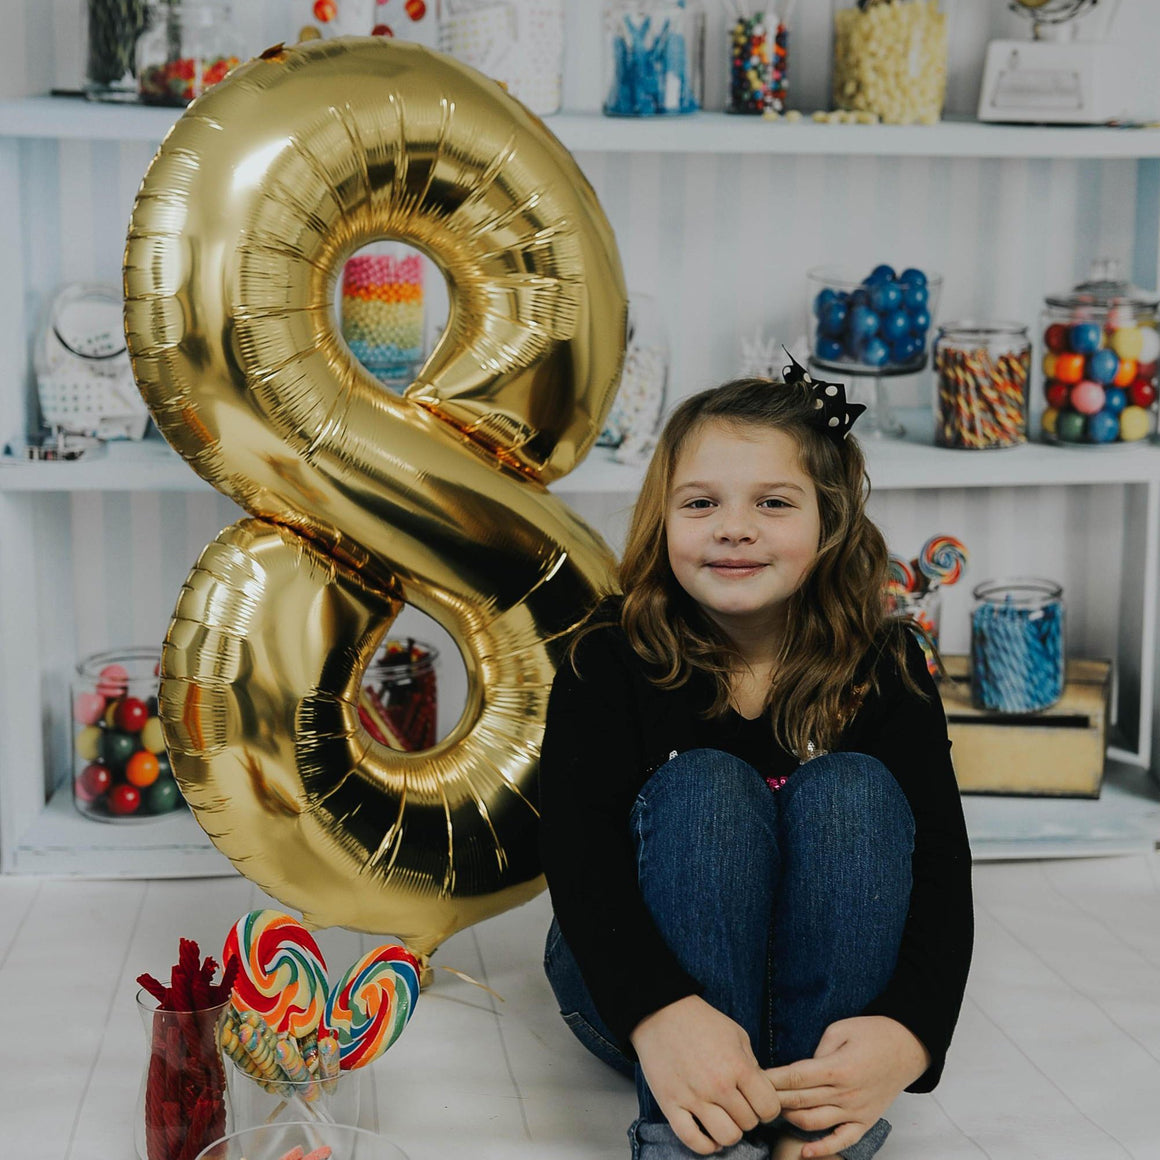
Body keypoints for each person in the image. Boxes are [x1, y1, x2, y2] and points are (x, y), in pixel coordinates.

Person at [538, 361, 973, 1160]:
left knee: (854, 788)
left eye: (773, 503)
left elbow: (942, 863)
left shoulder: (887, 662)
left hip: (826, 1013)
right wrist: (659, 1014)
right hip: (639, 994)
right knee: (706, 784)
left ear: (829, 521)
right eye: (701, 503)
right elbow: (578, 852)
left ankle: (816, 1128)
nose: (733, 527)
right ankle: (689, 1136)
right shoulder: (608, 654)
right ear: (662, 518)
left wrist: (911, 1034)